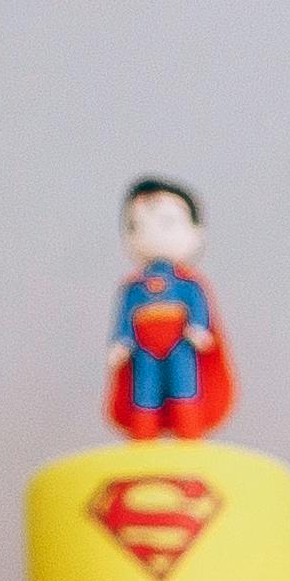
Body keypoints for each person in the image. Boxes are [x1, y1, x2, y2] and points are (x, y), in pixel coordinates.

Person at [104, 176, 225, 438]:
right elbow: (125, 319)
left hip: (180, 346)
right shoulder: (133, 288)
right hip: (143, 351)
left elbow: (198, 307)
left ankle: (189, 435)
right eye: (136, 225)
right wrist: (121, 341)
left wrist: (198, 327)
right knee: (144, 390)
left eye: (167, 223)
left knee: (184, 385)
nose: (153, 232)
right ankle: (143, 437)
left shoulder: (188, 284)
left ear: (195, 231)